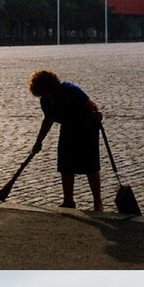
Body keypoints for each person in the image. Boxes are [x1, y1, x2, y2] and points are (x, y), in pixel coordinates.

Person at [27, 69, 104, 210]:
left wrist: (97, 112)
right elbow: (48, 119)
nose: (42, 96)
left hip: (86, 126)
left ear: (49, 87)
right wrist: (39, 141)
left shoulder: (70, 90)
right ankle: (68, 201)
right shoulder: (45, 100)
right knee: (65, 164)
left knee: (90, 165)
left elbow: (91, 104)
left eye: (43, 92)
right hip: (68, 127)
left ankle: (98, 202)